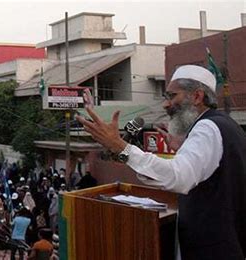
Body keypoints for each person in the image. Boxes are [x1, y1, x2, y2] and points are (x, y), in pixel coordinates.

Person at [76, 64, 245, 260]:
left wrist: (120, 146)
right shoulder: (224, 124)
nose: (166, 105)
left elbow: (179, 177)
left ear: (197, 97)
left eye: (172, 96)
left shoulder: (207, 128)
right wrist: (183, 150)